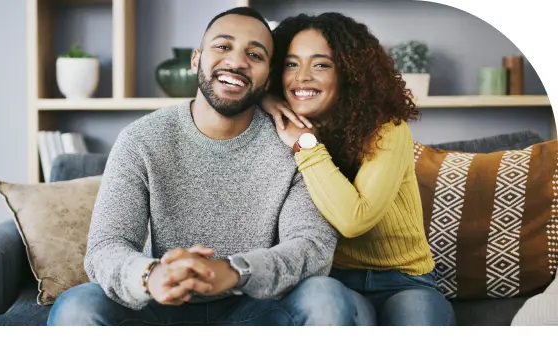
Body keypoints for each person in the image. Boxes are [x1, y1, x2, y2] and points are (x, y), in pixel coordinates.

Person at [47, 7, 367, 326]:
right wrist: (150, 275)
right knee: (78, 305)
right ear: (196, 59)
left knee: (324, 296)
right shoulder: (140, 139)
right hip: (161, 307)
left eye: (254, 55)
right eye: (223, 46)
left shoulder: (293, 144)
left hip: (255, 309)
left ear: (268, 77)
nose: (237, 61)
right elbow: (106, 245)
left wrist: (234, 271)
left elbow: (311, 247)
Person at [261, 12, 456, 326]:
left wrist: (306, 145)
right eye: (291, 64)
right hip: (334, 282)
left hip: (404, 280)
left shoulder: (387, 130)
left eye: (321, 64)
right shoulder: (274, 126)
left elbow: (355, 220)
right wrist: (262, 99)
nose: (302, 77)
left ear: (349, 72)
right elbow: (214, 87)